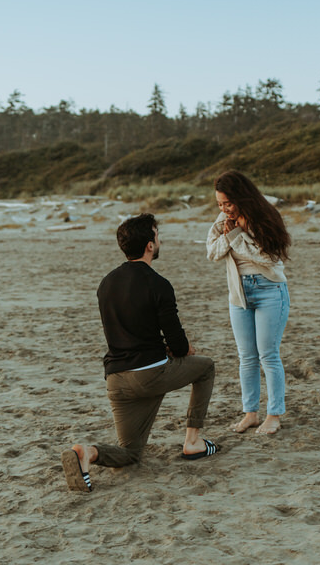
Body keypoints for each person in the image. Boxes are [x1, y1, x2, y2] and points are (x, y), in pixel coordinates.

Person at [62, 213, 218, 492]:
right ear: (149, 245)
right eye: (157, 236)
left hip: (117, 379)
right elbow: (179, 344)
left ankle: (87, 452)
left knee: (131, 453)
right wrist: (183, 349)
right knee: (205, 366)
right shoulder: (159, 284)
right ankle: (193, 441)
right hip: (150, 374)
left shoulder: (106, 283)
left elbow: (128, 330)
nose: (160, 241)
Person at [206, 171, 291, 435]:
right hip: (239, 294)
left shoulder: (264, 218)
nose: (224, 209)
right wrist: (230, 236)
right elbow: (212, 253)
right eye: (220, 204)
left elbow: (266, 257)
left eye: (228, 203)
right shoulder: (223, 221)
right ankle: (250, 414)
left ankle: (274, 415)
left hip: (269, 291)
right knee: (247, 358)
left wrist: (235, 237)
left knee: (268, 356)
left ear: (242, 197)